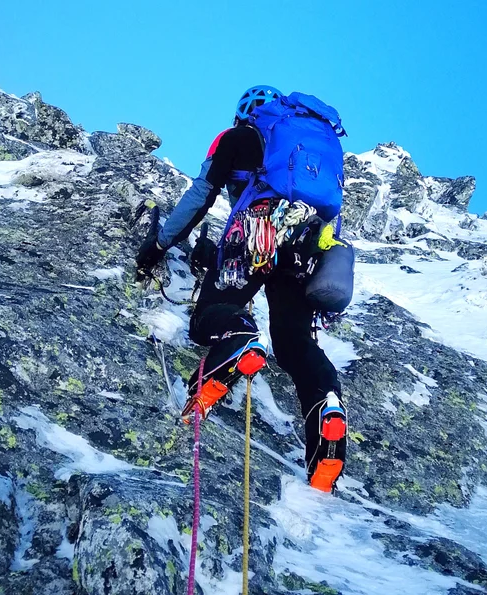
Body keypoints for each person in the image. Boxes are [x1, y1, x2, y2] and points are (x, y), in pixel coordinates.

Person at [136, 86, 348, 492]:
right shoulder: (310, 151)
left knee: (208, 318)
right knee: (294, 343)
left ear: (244, 115)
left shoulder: (239, 137)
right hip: (306, 244)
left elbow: (201, 197)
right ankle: (328, 412)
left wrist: (161, 244)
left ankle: (239, 339)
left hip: (257, 230)